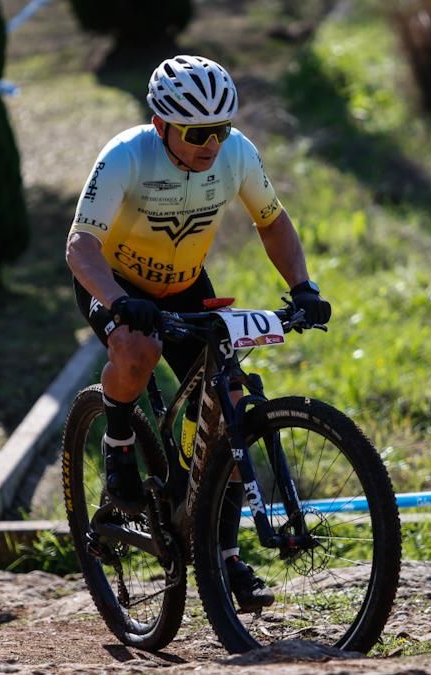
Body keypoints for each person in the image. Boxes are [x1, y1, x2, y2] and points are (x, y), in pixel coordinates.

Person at [65, 55, 332, 611]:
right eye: (197, 132)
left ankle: (225, 555)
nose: (211, 143)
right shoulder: (125, 156)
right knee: (138, 349)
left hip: (186, 285)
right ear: (162, 125)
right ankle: (117, 446)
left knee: (229, 404)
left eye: (221, 128)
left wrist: (303, 286)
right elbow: (80, 248)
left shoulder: (236, 155)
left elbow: (272, 220)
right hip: (114, 282)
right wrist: (119, 302)